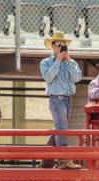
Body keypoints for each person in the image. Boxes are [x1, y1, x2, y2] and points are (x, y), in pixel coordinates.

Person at [40, 32, 83, 169]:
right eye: (58, 44)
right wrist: (58, 61)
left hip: (68, 99)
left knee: (59, 128)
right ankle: (63, 160)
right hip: (56, 99)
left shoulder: (72, 62)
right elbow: (48, 78)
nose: (61, 47)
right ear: (53, 46)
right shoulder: (46, 62)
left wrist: (69, 61)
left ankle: (46, 161)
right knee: (61, 128)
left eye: (63, 45)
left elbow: (77, 78)